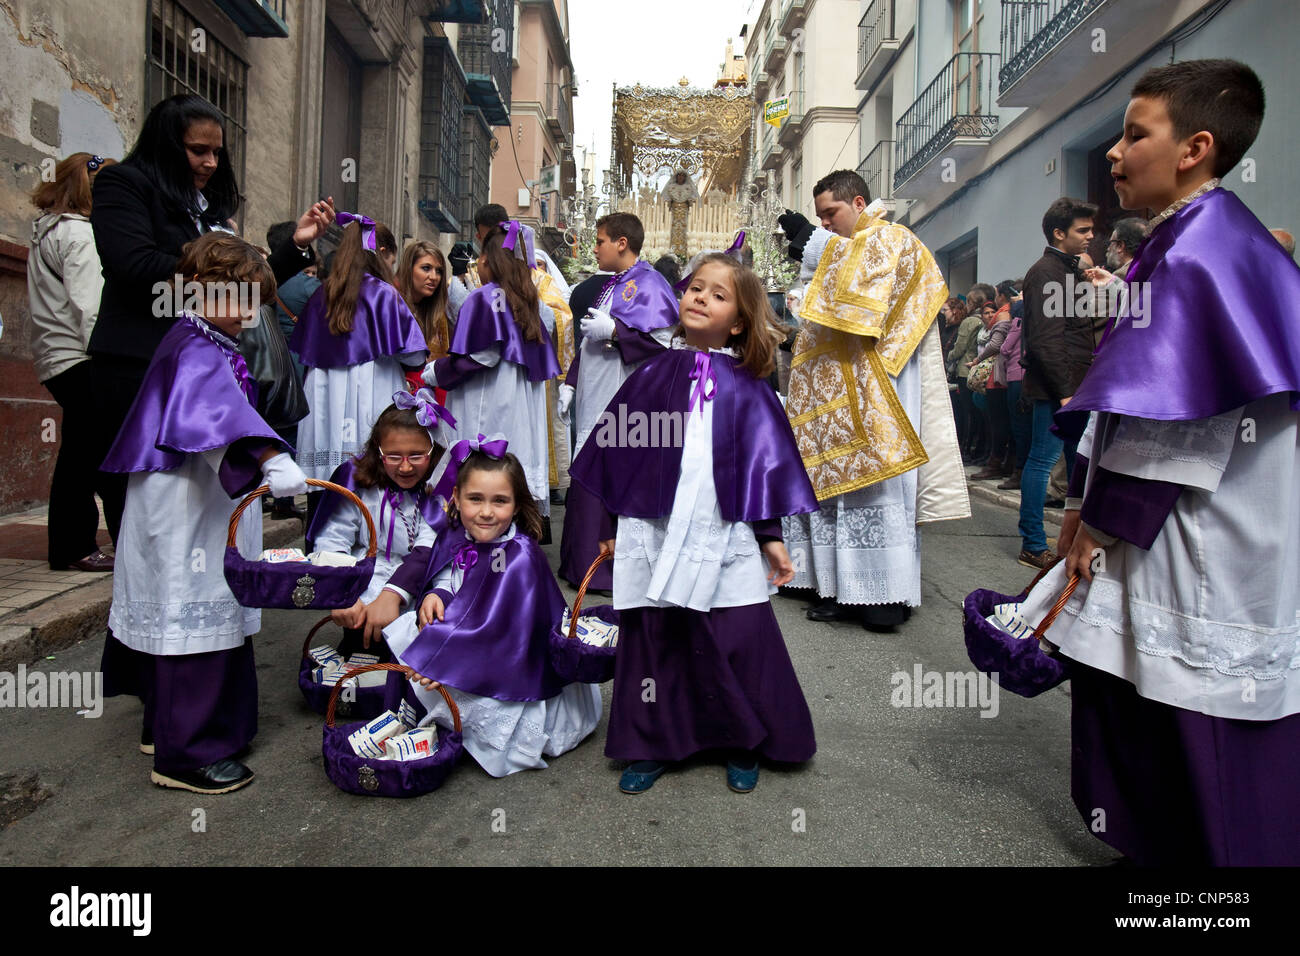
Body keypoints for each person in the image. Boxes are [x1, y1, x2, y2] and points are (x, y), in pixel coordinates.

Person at [1018, 58, 1300, 865]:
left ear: (1194, 148)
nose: (1114, 152)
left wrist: (1099, 522)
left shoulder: (1198, 250)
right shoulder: (1197, 235)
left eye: (1135, 134)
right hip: (1197, 508)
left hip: (1202, 520)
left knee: (1200, 711)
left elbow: (1175, 422)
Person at [568, 254, 819, 793]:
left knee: (738, 635)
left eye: (718, 294)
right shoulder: (654, 372)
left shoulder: (750, 386)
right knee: (657, 638)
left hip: (723, 533)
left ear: (740, 321)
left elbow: (763, 467)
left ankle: (741, 737)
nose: (700, 297)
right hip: (652, 530)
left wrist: (770, 538)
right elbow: (619, 454)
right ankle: (651, 740)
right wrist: (609, 525)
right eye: (695, 288)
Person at [99, 232, 309, 794]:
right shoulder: (194, 345)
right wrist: (269, 457)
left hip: (196, 496)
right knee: (193, 603)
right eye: (234, 295)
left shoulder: (203, 338)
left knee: (191, 604)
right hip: (187, 503)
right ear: (195, 289)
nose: (246, 311)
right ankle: (183, 754)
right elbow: (215, 415)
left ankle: (167, 727)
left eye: (253, 298)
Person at [88, 93, 333, 544]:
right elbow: (134, 267)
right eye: (198, 150)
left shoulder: (207, 211)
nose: (211, 163)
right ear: (166, 146)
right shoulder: (122, 184)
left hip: (205, 374)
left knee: (206, 509)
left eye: (217, 152)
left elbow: (243, 292)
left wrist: (292, 247)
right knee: (150, 508)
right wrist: (216, 262)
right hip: (141, 366)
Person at [383, 443, 601, 777]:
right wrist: (438, 593)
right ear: (456, 497)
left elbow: (503, 630)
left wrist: (442, 658)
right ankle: (416, 720)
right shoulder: (457, 534)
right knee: (413, 626)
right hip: (468, 638)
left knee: (427, 651)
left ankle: (469, 724)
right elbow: (451, 575)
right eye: (475, 499)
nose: (486, 512)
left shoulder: (521, 556)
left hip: (513, 661)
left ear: (515, 506)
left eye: (499, 501)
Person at [556, 212, 678, 591]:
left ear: (621, 243)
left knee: (608, 474)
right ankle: (579, 563)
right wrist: (571, 383)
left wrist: (615, 331)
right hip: (594, 394)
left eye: (600, 241)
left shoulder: (650, 283)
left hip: (622, 398)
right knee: (587, 469)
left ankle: (603, 571)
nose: (594, 248)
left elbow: (662, 344)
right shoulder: (612, 284)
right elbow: (589, 342)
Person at [290, 216, 427, 520]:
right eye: (390, 259)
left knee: (326, 482)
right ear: (381, 252)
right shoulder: (384, 294)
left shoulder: (322, 294)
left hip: (324, 396)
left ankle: (323, 553)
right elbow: (415, 356)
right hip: (372, 388)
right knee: (373, 477)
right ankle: (374, 550)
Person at [422, 223, 558, 523]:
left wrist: (435, 372)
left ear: (489, 260)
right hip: (520, 413)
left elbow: (478, 358)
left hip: (489, 408)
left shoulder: (484, 298)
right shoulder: (533, 304)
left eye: (481, 258)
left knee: (482, 485)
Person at [307, 390, 453, 656]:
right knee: (363, 647)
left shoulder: (438, 489)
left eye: (417, 456)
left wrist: (392, 595)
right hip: (366, 576)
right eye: (394, 456)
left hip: (420, 578)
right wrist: (341, 591)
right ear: (378, 450)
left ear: (434, 453)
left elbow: (428, 547)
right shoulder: (360, 483)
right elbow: (333, 538)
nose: (405, 467)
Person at [28, 152, 117, 572]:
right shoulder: (79, 236)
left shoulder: (48, 232)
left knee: (83, 454)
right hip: (81, 358)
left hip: (59, 358)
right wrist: (110, 356)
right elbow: (92, 308)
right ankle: (74, 546)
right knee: (85, 457)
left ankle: (75, 544)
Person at [1016, 196, 1097, 569]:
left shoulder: (1069, 271)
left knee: (1075, 464)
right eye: (1083, 230)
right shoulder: (1046, 272)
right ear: (1059, 233)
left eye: (1091, 230)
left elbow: (1079, 332)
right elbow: (1047, 340)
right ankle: (1033, 544)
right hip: (1058, 389)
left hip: (1075, 387)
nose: (1090, 237)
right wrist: (1065, 393)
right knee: (1042, 461)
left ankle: (1068, 542)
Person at [968, 284, 1016, 480]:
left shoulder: (1005, 314)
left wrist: (978, 360)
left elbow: (997, 345)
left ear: (1002, 296)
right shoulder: (1010, 313)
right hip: (1005, 375)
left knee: (998, 423)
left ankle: (996, 463)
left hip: (999, 376)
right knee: (1002, 423)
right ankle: (1005, 463)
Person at [394, 240, 452, 396]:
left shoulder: (433, 310)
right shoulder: (391, 303)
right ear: (409, 269)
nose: (434, 277)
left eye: (439, 271)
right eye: (426, 268)